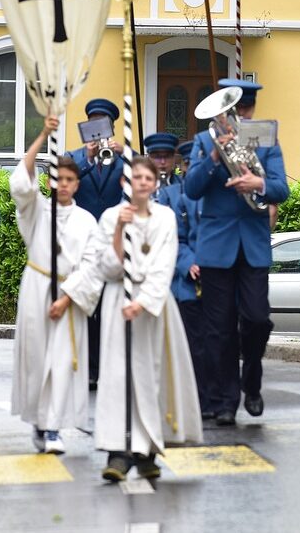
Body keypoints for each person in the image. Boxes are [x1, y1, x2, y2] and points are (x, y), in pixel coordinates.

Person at [83, 157, 203, 482]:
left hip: (152, 309)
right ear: (127, 182)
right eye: (136, 177)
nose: (143, 182)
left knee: (151, 376)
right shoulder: (111, 216)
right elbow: (106, 267)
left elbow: (165, 262)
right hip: (117, 304)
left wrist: (144, 301)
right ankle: (117, 451)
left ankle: (147, 450)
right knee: (117, 376)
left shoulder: (164, 217)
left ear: (155, 183)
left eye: (148, 177)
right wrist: (120, 229)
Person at [184, 78, 288, 425]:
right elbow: (193, 189)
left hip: (254, 246)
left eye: (244, 109)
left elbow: (281, 189)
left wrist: (258, 183)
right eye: (233, 110)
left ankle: (252, 380)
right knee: (219, 328)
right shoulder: (203, 141)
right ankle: (226, 401)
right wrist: (215, 156)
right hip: (216, 247)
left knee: (258, 318)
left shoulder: (266, 140)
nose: (239, 116)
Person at [9, 115, 96, 455]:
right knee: (37, 357)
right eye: (57, 178)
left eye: (69, 180)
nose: (62, 184)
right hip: (37, 287)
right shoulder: (37, 210)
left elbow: (92, 265)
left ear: (76, 184)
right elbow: (20, 183)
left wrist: (68, 297)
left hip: (69, 293)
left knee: (61, 360)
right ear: (50, 181)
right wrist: (43, 134)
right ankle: (39, 421)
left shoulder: (87, 221)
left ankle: (53, 427)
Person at [70, 98, 124, 389]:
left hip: (114, 244)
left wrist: (123, 152)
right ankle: (90, 369)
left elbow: (145, 176)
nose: (98, 132)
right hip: (84, 245)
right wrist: (88, 159)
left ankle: (110, 367)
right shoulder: (74, 158)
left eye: (103, 125)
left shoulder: (123, 158)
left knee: (112, 309)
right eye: (93, 125)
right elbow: (63, 183)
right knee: (88, 309)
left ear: (112, 128)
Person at [148, 134, 204, 391]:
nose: (161, 162)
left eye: (166, 157)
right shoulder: (138, 188)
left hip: (178, 273)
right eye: (156, 157)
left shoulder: (183, 189)